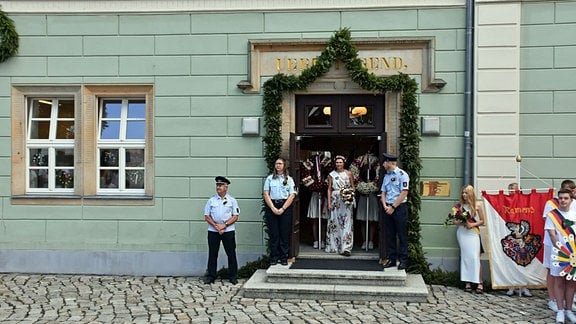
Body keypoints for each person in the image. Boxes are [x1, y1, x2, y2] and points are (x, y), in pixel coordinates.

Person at [544, 180, 576, 312]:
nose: (573, 191)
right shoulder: (551, 204)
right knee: (553, 271)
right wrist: (558, 245)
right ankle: (553, 299)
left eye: (573, 190)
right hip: (553, 244)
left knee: (571, 274)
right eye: (570, 189)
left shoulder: (574, 203)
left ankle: (569, 302)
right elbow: (547, 221)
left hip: (572, 247)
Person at [203, 176, 239, 285]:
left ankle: (233, 276)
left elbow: (235, 216)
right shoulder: (211, 200)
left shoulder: (232, 201)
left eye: (220, 185)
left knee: (231, 253)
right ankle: (211, 276)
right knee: (213, 254)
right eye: (217, 185)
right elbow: (207, 216)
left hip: (228, 231)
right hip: (213, 231)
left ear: (226, 187)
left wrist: (224, 225)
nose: (218, 187)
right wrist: (216, 226)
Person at [263, 158, 297, 266]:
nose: (278, 165)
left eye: (280, 164)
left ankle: (283, 257)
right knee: (274, 233)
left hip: (285, 206)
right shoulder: (270, 179)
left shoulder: (289, 179)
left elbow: (292, 195)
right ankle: (274, 256)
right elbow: (266, 194)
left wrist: (282, 208)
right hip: (272, 205)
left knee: (284, 233)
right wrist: (273, 208)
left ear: (284, 165)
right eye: (276, 163)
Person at [380, 153, 410, 270]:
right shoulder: (386, 176)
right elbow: (383, 192)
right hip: (388, 208)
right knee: (390, 235)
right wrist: (385, 205)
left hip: (399, 208)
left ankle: (403, 260)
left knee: (401, 235)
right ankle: (392, 259)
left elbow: (404, 193)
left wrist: (393, 207)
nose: (383, 164)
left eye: (384, 162)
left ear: (389, 162)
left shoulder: (402, 175)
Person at [454, 185, 486, 293]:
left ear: (471, 193)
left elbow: (482, 221)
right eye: (463, 193)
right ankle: (467, 282)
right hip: (462, 233)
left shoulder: (478, 205)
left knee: (474, 257)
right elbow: (454, 221)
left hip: (473, 233)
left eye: (466, 193)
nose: (464, 195)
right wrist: (462, 222)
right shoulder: (458, 206)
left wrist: (472, 224)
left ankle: (479, 282)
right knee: (465, 257)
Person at [505, 182, 533, 297]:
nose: (511, 191)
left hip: (523, 237)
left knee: (523, 262)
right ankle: (511, 286)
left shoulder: (524, 202)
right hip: (511, 236)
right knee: (511, 262)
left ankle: (524, 287)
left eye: (514, 189)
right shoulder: (506, 202)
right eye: (510, 189)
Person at [325, 155, 355, 256]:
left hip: (346, 200)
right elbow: (329, 189)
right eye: (337, 162)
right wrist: (329, 203)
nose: (339, 164)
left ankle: (346, 247)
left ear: (344, 163)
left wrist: (349, 195)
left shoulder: (349, 173)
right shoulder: (331, 175)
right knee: (335, 222)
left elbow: (353, 187)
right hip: (335, 199)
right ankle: (335, 245)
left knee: (346, 222)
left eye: (340, 162)